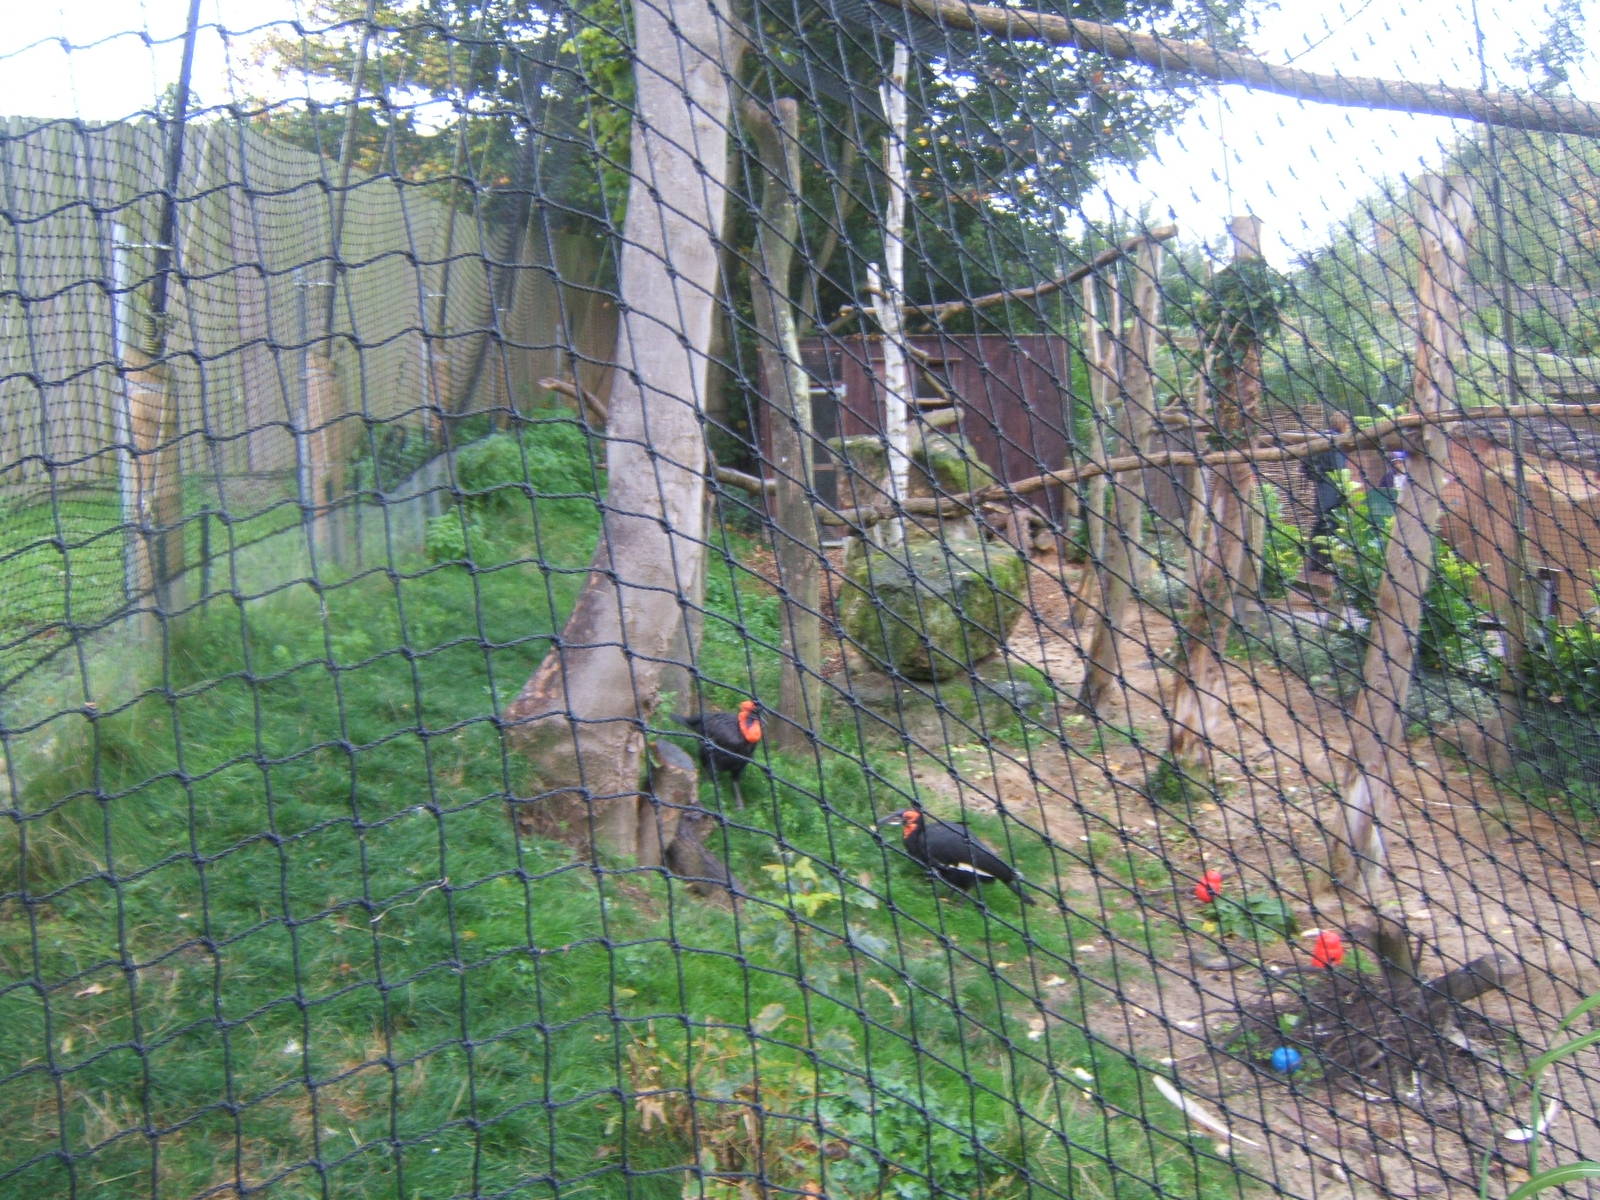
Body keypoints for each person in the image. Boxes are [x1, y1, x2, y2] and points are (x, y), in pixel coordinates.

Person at [1304, 413, 1351, 574]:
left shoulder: (1319, 437)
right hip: (1332, 487)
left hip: (1322, 486)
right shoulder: (1337, 440)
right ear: (1344, 423)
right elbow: (1338, 468)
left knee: (1321, 524)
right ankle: (1326, 563)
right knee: (1331, 524)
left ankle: (1316, 561)